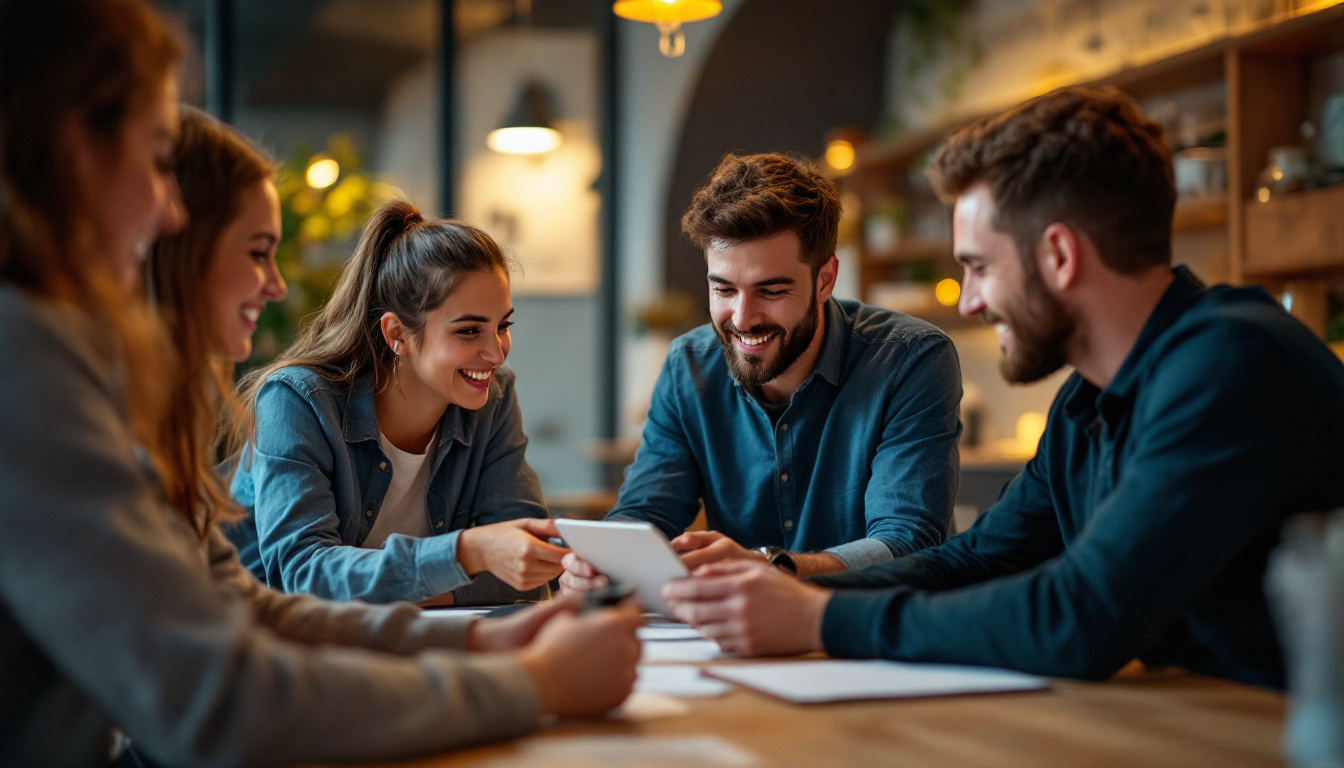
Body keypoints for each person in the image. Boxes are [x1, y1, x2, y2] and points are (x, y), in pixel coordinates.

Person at [0, 2, 638, 766]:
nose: (168, 209)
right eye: (156, 157)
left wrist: (484, 637)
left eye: (503, 327)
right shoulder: (30, 361)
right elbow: (227, 692)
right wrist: (528, 682)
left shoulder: (78, 368)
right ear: (78, 149)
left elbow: (248, 609)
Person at [660, 85, 1344, 690]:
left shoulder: (1234, 363)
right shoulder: (1086, 400)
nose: (970, 303)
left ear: (1059, 255)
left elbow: (1082, 615)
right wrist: (785, 584)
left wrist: (821, 616)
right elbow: (976, 559)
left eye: (979, 267)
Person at [562, 153, 962, 590]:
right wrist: (601, 566)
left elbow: (908, 543)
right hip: (741, 641)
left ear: (825, 280)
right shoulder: (688, 367)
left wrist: (775, 569)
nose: (743, 318)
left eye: (770, 291)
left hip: (874, 633)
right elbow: (645, 514)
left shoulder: (910, 359)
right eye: (724, 289)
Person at [225, 197, 569, 605]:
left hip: (398, 642)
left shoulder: (492, 400)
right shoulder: (298, 402)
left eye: (502, 326)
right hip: (264, 648)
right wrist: (468, 555)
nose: (496, 353)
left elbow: (526, 575)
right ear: (396, 334)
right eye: (469, 331)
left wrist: (395, 588)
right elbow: (303, 577)